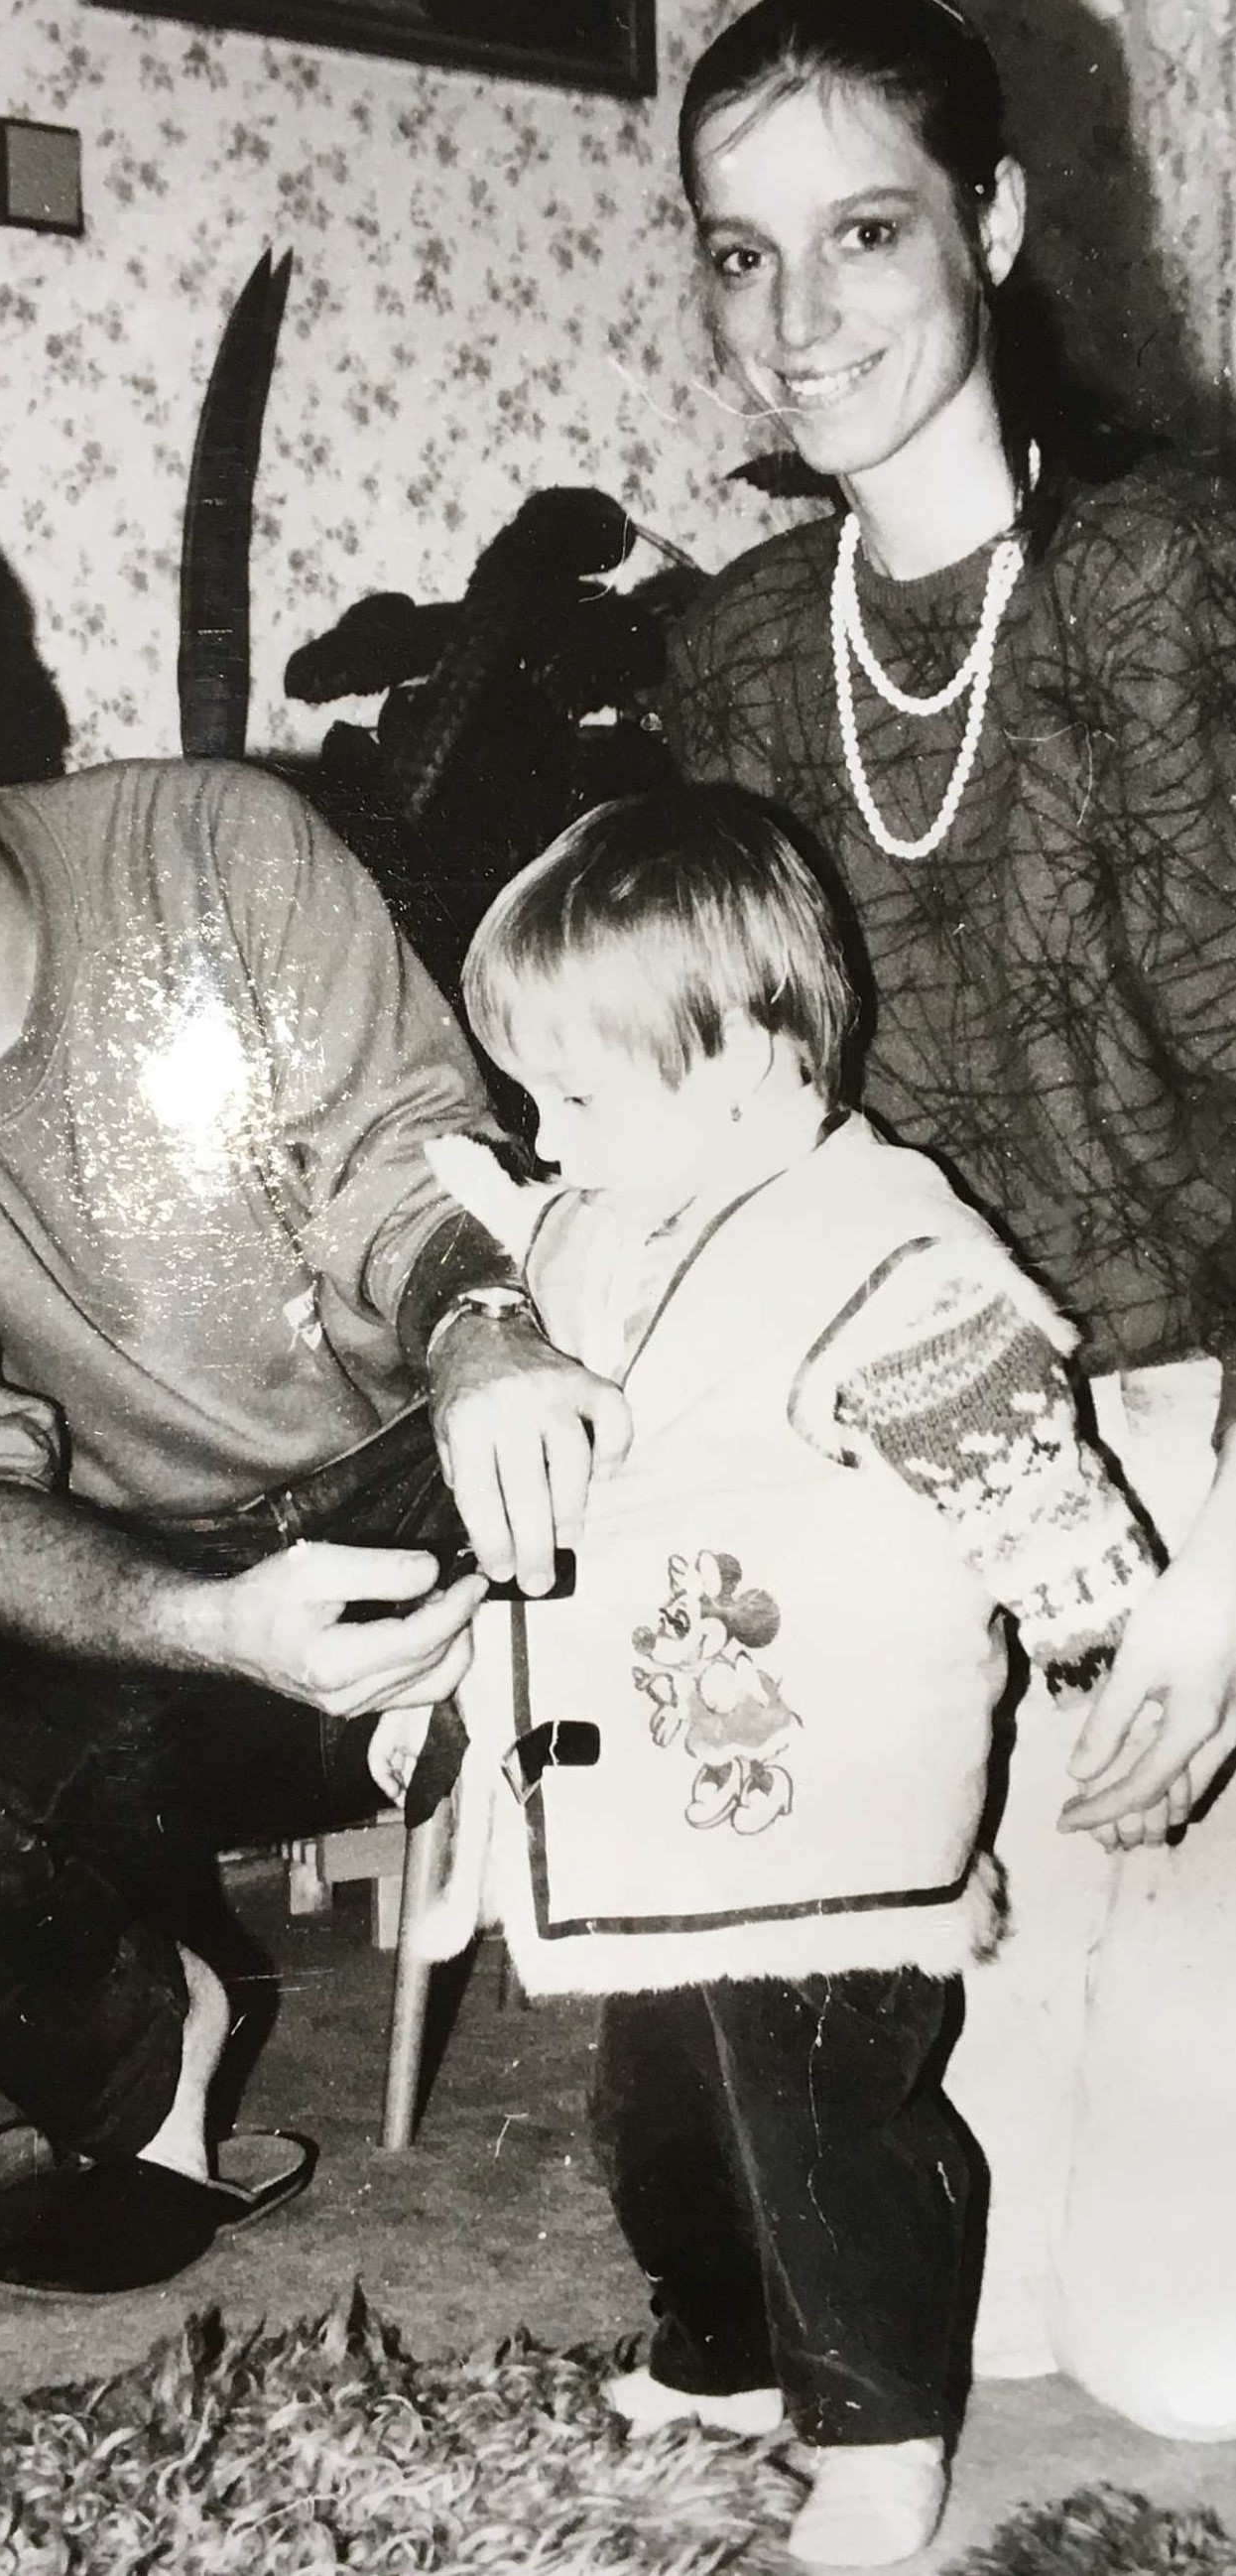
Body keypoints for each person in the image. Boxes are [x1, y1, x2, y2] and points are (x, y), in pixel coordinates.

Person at [0, 471, 629, 2298]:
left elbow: (409, 1170)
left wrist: (483, 1329)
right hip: (140, 1606)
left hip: (427, 1489)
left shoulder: (214, 846)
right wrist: (214, 1621)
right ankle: (146, 2070)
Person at [652, 0, 1236, 2432]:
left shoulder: (1163, 581)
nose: (796, 318)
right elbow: (744, 1171)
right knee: (959, 2311)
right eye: (737, 254)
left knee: (1182, 2356)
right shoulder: (726, 655)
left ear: (987, 224)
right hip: (951, 1489)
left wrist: (1214, 1558)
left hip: (1211, 1454)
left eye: (862, 231)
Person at [378, 781, 1156, 2567]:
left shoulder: (878, 1249)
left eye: (580, 1096)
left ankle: (879, 2418)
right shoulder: (611, 1206)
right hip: (662, 1812)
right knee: (652, 2110)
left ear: (744, 1064)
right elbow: (540, 1318)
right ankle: (721, 2346)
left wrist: (1096, 1637)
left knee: (821, 2119)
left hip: (829, 1799)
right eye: (533, 1095)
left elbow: (1024, 1477)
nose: (551, 1137)